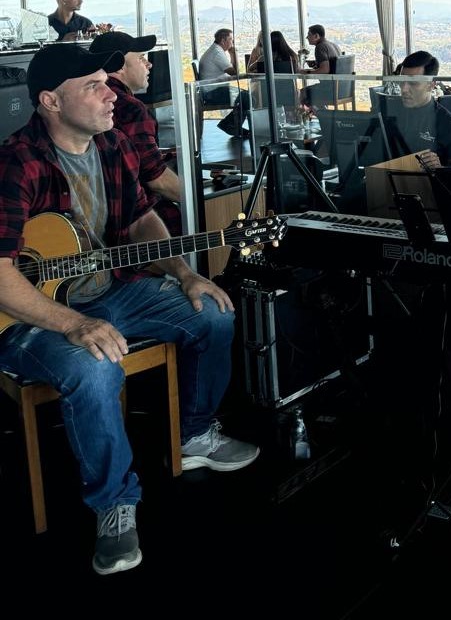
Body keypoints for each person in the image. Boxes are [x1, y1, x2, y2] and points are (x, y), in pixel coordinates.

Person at [0, 44, 259, 575]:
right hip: (30, 315)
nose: (109, 94)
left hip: (107, 291)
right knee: (95, 367)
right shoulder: (17, 163)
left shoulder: (112, 144)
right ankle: (115, 503)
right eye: (93, 85)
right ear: (50, 100)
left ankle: (193, 435)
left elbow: (141, 220)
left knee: (212, 311)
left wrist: (186, 273)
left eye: (107, 81)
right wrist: (73, 323)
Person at [89, 31, 182, 234]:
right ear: (120, 66)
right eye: (141, 58)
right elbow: (157, 180)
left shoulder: (90, 102)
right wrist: (197, 198)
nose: (149, 65)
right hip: (137, 218)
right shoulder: (132, 108)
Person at [388, 50, 451, 168]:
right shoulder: (391, 113)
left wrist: (440, 168)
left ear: (431, 85)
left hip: (430, 185)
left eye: (413, 83)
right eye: (402, 81)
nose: (404, 89)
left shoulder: (449, 124)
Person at [198, 28, 251, 138]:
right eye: (231, 39)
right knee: (247, 98)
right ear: (223, 40)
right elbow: (235, 73)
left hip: (213, 90)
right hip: (212, 93)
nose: (232, 42)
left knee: (245, 96)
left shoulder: (216, 50)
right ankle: (230, 125)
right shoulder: (217, 53)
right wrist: (234, 53)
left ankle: (231, 125)